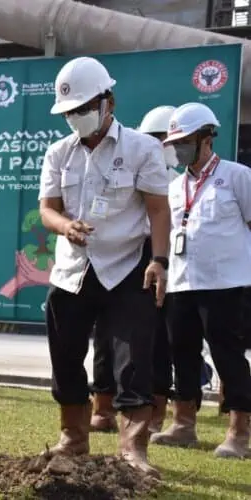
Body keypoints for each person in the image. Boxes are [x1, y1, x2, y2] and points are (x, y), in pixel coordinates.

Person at [38, 56, 170, 477]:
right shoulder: (59, 153)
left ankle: (133, 448)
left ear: (107, 101)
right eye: (70, 112)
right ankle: (73, 438)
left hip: (128, 266)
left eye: (83, 108)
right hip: (73, 269)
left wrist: (159, 261)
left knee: (133, 357)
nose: (76, 117)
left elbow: (158, 211)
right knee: (65, 352)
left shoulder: (141, 149)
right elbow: (47, 209)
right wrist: (65, 226)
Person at [151, 102, 251, 459]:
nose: (178, 147)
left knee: (228, 355)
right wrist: (160, 269)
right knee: (183, 354)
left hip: (226, 283)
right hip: (181, 282)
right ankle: (183, 424)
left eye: (185, 140)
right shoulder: (175, 187)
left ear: (207, 138)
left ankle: (239, 432)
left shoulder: (238, 176)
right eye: (175, 141)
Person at [89, 105, 179, 435]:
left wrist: (162, 260)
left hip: (167, 267)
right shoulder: (132, 164)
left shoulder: (180, 182)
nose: (165, 146)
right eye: (160, 139)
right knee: (106, 338)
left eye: (170, 141)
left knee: (154, 343)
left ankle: (155, 410)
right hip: (127, 262)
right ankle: (103, 404)